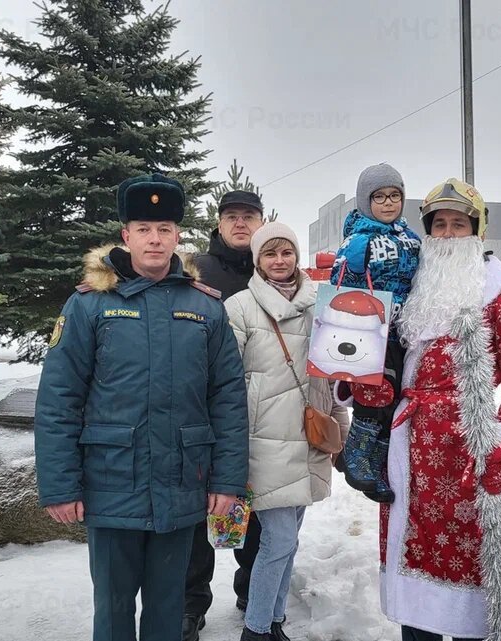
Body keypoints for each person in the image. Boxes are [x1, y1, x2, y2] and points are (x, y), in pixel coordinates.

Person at [34, 173, 249, 641]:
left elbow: (228, 399)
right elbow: (59, 400)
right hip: (112, 482)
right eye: (144, 229)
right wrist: (58, 485)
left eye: (165, 229)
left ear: (177, 236)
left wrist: (228, 479)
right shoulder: (89, 306)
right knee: (112, 612)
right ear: (126, 236)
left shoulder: (206, 307)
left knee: (169, 611)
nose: (155, 239)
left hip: (181, 484)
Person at [378, 178, 501, 641]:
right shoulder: (414, 285)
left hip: (464, 450)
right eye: (439, 225)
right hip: (408, 448)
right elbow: (384, 354)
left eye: (458, 224)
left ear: (478, 230)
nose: (448, 234)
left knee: (466, 565)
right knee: (411, 567)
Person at [225, 222, 347, 641]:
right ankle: (256, 629)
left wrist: (339, 428)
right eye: (270, 254)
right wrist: (229, 447)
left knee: (289, 541)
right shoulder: (239, 307)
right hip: (263, 440)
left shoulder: (322, 304)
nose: (280, 262)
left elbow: (332, 377)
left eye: (287, 253)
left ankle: (273, 622)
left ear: (297, 257)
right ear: (257, 260)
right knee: (276, 540)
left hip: (308, 437)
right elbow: (224, 382)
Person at [183, 189, 266, 641]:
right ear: (218, 224)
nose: (240, 224)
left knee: (257, 502)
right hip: (204, 405)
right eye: (231, 217)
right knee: (200, 506)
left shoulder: (273, 266)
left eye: (248, 216)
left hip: (261, 408)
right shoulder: (196, 269)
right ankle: (191, 602)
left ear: (261, 220)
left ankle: (253, 588)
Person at [329, 163, 421, 503]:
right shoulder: (358, 240)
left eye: (394, 196)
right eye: (379, 197)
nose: (387, 203)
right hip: (368, 329)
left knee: (394, 398)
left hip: (402, 333)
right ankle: (356, 453)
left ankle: (377, 459)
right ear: (366, 201)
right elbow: (340, 288)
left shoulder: (410, 239)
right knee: (373, 394)